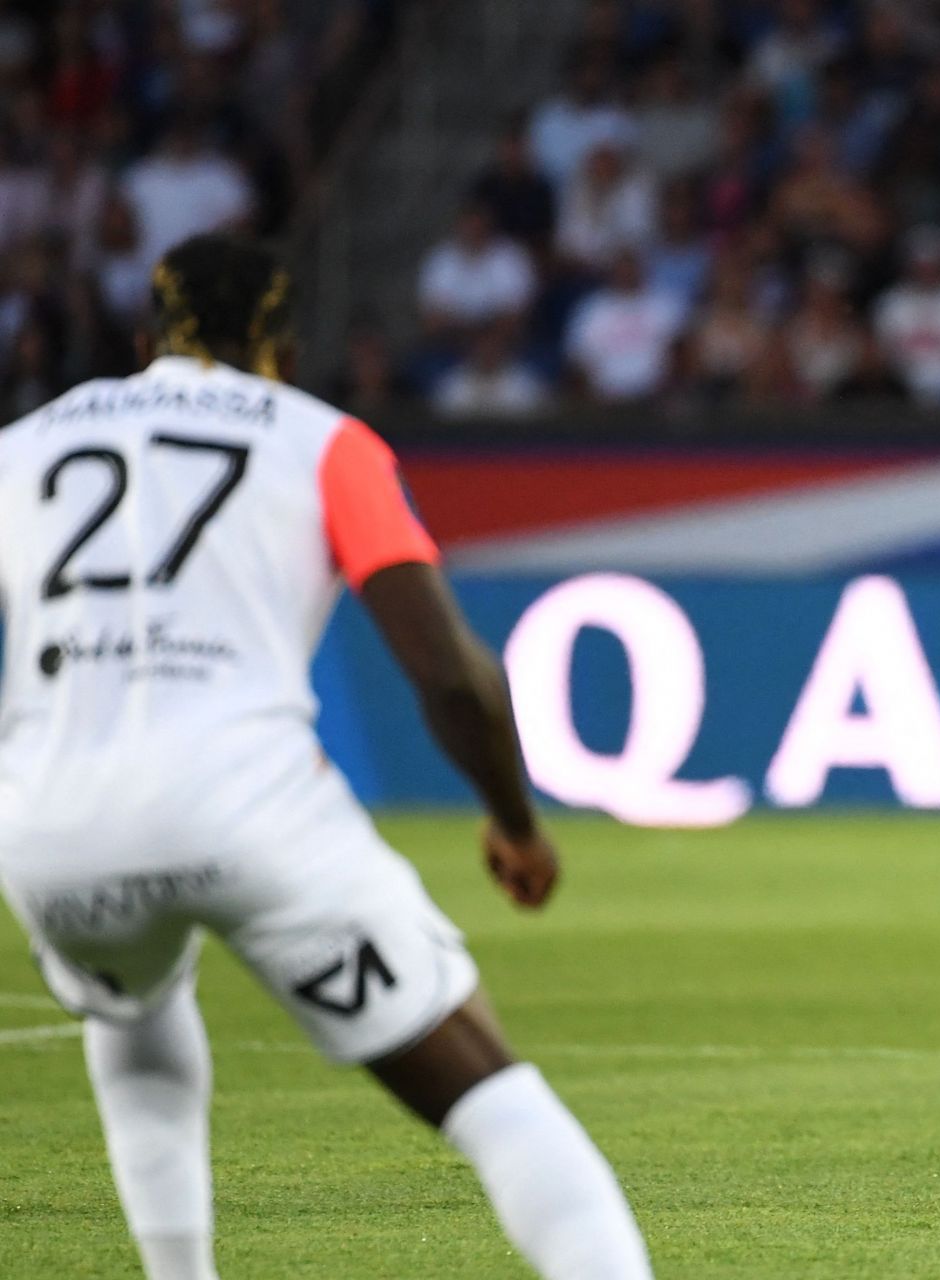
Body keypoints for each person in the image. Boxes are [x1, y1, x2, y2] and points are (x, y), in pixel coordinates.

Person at [0, 235, 651, 1279]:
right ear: (286, 352)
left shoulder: (23, 446)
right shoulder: (324, 441)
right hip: (243, 806)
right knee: (487, 1090)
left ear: (142, 340)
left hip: (48, 826)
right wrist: (516, 823)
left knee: (133, 1007)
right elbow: (448, 673)